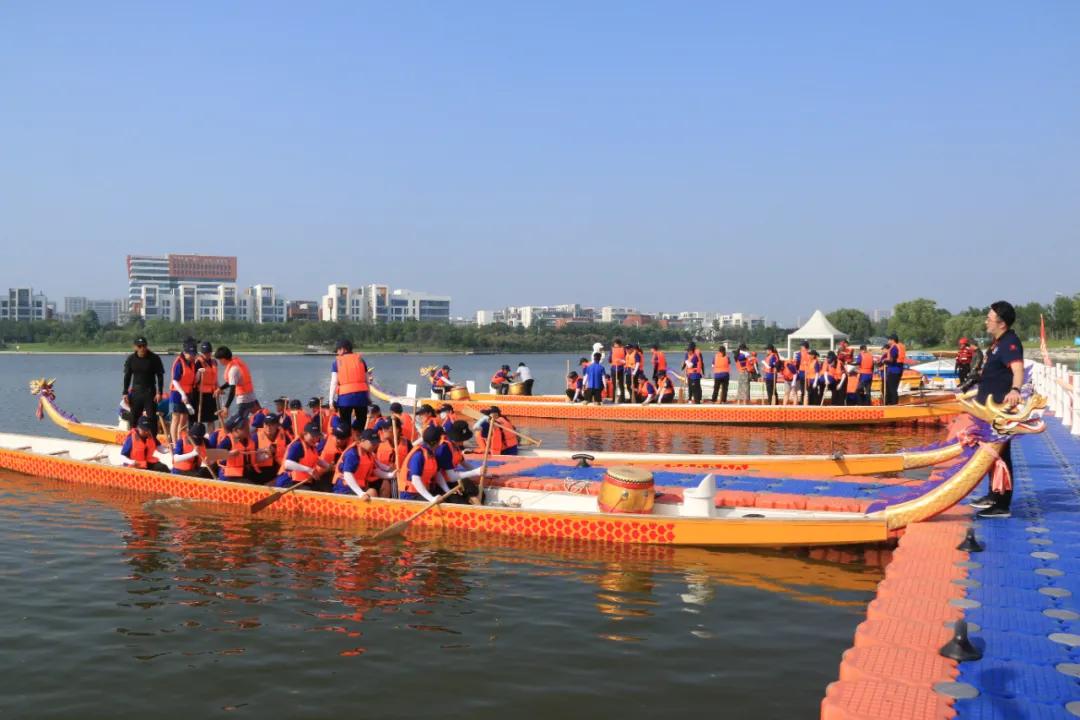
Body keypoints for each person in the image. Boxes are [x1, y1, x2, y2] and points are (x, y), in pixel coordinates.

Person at [968, 301, 1025, 519]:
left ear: (1001, 322)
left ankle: (1002, 504)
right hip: (988, 410)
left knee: (1001, 455)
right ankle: (993, 494)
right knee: (991, 454)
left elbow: (1017, 369)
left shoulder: (1010, 343)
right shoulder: (997, 343)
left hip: (999, 412)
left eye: (989, 318)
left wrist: (1015, 389)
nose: (986, 321)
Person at [334, 427, 395, 499]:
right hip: (345, 490)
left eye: (376, 443)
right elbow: (347, 475)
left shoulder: (369, 454)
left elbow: (375, 471)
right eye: (372, 443)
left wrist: (391, 475)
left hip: (359, 489)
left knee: (385, 484)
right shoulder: (352, 454)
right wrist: (361, 493)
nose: (375, 446)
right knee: (372, 492)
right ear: (362, 441)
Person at [435, 420, 487, 504]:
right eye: (462, 439)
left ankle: (477, 504)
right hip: (442, 484)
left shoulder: (456, 445)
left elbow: (464, 463)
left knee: (479, 493)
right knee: (461, 502)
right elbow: (450, 476)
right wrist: (475, 472)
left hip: (453, 480)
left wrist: (481, 471)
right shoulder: (444, 449)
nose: (464, 441)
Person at [398, 426, 452, 502]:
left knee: (450, 499)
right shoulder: (418, 455)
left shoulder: (431, 453)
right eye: (441, 439)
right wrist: (431, 499)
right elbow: (415, 480)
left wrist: (448, 491)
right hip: (410, 495)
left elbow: (437, 474)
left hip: (422, 491)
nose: (442, 442)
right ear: (436, 442)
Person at [122, 336, 165, 431]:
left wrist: (160, 392)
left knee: (151, 418)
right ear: (135, 347)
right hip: (136, 392)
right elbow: (127, 376)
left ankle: (153, 439)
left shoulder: (154, 358)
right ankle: (134, 438)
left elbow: (160, 376)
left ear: (146, 346)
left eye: (144, 346)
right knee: (134, 417)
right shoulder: (131, 359)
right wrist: (125, 392)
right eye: (139, 346)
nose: (142, 348)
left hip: (150, 392)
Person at [328, 338, 370, 434]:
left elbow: (333, 383)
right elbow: (367, 381)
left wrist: (331, 401)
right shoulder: (361, 360)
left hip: (345, 398)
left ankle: (348, 443)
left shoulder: (337, 362)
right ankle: (359, 441)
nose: (337, 353)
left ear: (343, 349)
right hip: (362, 397)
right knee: (361, 424)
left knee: (345, 425)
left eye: (338, 350)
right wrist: (368, 397)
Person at [275, 422, 331, 489]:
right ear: (305, 434)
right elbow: (287, 464)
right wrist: (308, 470)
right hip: (288, 482)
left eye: (317, 436)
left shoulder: (311, 445)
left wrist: (328, 466)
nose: (315, 439)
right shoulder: (297, 445)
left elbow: (316, 459)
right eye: (313, 436)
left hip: (303, 481)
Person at [214, 346, 260, 419]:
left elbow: (232, 390)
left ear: (223, 359)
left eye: (219, 360)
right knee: (258, 416)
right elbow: (231, 382)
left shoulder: (233, 370)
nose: (219, 362)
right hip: (251, 396)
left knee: (239, 424)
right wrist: (220, 388)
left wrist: (226, 407)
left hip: (244, 399)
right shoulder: (237, 363)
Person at [169, 339, 199, 442]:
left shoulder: (192, 363)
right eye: (191, 354)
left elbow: (193, 379)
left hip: (188, 393)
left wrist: (199, 374)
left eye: (194, 354)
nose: (193, 356)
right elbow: (175, 381)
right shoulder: (179, 363)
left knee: (184, 419)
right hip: (177, 393)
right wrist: (182, 394)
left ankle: (181, 441)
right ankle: (174, 442)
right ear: (185, 353)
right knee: (176, 418)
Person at [217, 415, 261, 483]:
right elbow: (212, 456)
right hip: (230, 476)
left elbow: (252, 456)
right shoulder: (227, 441)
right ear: (235, 430)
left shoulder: (250, 440)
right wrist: (229, 454)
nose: (247, 429)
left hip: (246, 472)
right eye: (244, 428)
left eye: (247, 426)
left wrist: (264, 453)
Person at [253, 413, 289, 484]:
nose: (268, 427)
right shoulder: (255, 437)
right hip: (261, 471)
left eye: (272, 424)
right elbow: (251, 457)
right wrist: (265, 455)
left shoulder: (284, 436)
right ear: (263, 425)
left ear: (277, 425)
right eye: (266, 424)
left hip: (280, 469)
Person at [193, 341, 220, 431]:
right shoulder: (198, 362)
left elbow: (215, 378)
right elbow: (195, 380)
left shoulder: (214, 362)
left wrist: (219, 388)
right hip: (200, 393)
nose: (207, 354)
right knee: (198, 418)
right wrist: (199, 372)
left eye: (208, 352)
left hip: (212, 393)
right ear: (201, 353)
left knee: (211, 418)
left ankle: (211, 436)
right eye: (205, 353)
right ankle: (197, 434)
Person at [880, 334, 907, 405]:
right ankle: (890, 403)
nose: (888, 341)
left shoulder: (894, 347)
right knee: (892, 388)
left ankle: (893, 404)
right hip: (898, 370)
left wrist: (884, 360)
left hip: (893, 371)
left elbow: (891, 359)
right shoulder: (900, 346)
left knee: (892, 389)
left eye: (889, 340)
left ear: (892, 340)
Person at [609, 339, 628, 403]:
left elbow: (609, 359)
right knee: (621, 385)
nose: (614, 345)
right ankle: (622, 399)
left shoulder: (612, 349)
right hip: (621, 368)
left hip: (614, 369)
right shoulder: (624, 349)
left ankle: (614, 399)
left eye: (614, 344)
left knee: (614, 385)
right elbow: (626, 358)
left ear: (616, 344)